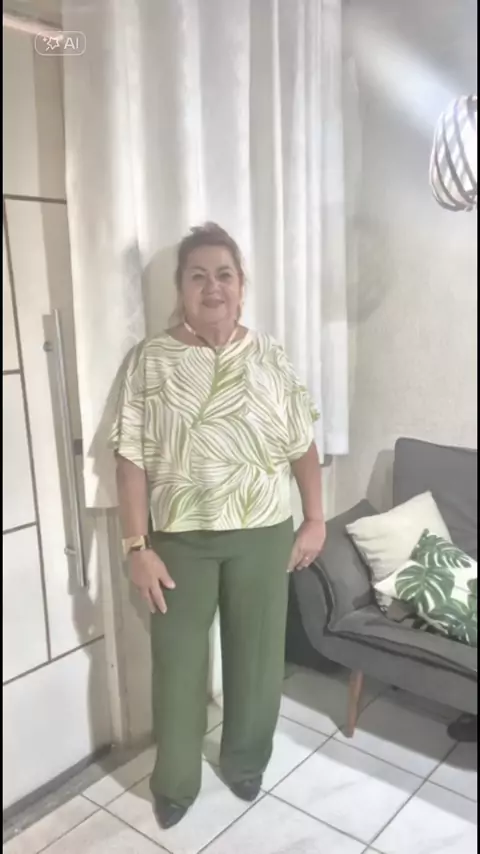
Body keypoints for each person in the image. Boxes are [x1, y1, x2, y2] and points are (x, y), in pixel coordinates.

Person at [110, 223, 326, 829]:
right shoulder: (150, 360)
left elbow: (302, 445)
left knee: (257, 658)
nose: (213, 287)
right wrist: (137, 546)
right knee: (178, 666)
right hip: (179, 541)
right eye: (198, 275)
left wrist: (315, 518)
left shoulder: (270, 355)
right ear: (180, 288)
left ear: (241, 286)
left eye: (224, 275)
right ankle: (175, 782)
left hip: (263, 533)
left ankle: (246, 762)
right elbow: (130, 460)